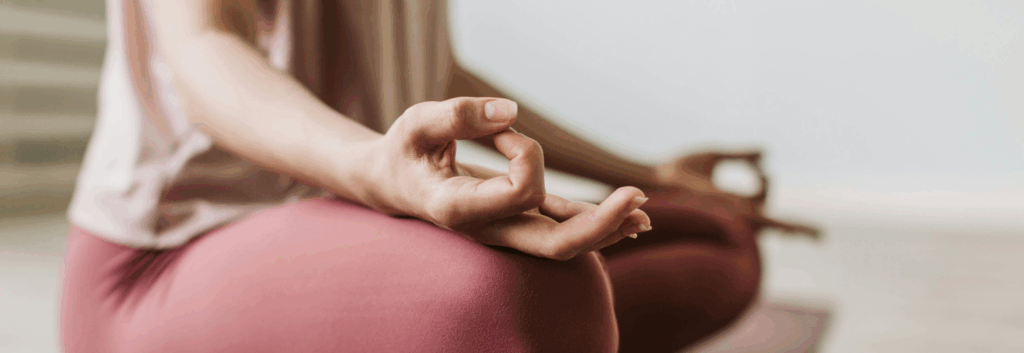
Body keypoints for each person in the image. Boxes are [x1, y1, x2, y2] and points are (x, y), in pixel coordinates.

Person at [61, 0, 814, 351]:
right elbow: (204, 50)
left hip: (341, 222)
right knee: (546, 294)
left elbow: (435, 71)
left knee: (719, 240)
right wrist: (375, 170)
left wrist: (651, 175)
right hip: (165, 261)